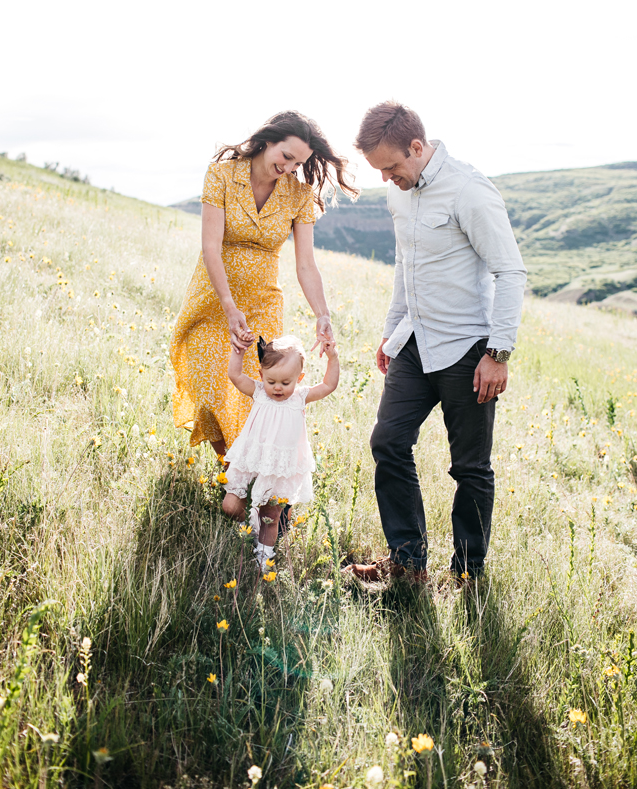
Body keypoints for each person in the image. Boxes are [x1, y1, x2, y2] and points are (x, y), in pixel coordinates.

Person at [348, 101, 526, 584]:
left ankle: (467, 574)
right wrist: (391, 329)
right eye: (378, 171)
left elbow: (510, 273)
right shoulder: (399, 194)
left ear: (417, 147)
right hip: (413, 343)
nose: (386, 178)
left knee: (470, 467)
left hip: (469, 350)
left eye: (391, 167)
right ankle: (408, 564)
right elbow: (406, 268)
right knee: (387, 441)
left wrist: (498, 354)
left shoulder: (470, 190)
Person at [170, 111, 355, 457]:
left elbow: (306, 264)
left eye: (297, 164)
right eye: (286, 157)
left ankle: (241, 478)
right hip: (214, 300)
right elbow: (210, 247)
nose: (288, 168)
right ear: (268, 140)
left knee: (257, 395)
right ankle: (234, 466)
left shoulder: (298, 196)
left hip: (262, 304)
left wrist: (322, 314)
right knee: (209, 390)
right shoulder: (222, 175)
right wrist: (228, 306)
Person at [222, 335, 340, 570]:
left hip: (281, 466)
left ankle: (263, 557)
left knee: (271, 515)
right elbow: (235, 376)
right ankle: (251, 519)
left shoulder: (299, 398)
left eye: (286, 383)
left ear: (299, 379)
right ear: (261, 375)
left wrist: (332, 357)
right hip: (252, 457)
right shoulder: (258, 392)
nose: (277, 388)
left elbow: (328, 386)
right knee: (231, 506)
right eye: (271, 381)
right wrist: (238, 353)